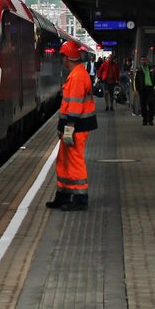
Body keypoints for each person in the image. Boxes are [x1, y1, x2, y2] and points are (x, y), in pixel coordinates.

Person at [46, 39, 97, 212]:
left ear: (67, 57)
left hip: (76, 126)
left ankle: (80, 198)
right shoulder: (77, 74)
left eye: (63, 57)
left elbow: (74, 106)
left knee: (75, 160)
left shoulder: (77, 76)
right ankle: (63, 195)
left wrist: (68, 128)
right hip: (72, 126)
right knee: (63, 160)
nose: (62, 60)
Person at [134, 55, 155, 125]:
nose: (143, 61)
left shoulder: (151, 68)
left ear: (147, 60)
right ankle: (144, 119)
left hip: (150, 88)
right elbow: (135, 80)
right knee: (143, 105)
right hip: (142, 89)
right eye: (142, 60)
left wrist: (154, 87)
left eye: (145, 60)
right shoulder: (138, 70)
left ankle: (150, 119)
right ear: (140, 61)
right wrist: (136, 89)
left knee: (151, 103)